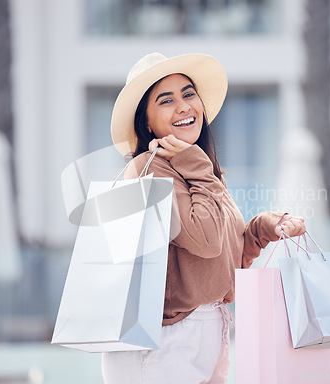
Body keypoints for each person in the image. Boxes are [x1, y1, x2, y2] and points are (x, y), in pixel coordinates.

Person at [103, 53, 306, 384]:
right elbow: (206, 241)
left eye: (188, 94)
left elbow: (223, 262)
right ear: (148, 123)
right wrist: (196, 163)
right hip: (165, 340)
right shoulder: (150, 169)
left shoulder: (200, 173)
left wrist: (260, 230)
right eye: (166, 100)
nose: (183, 106)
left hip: (207, 331)